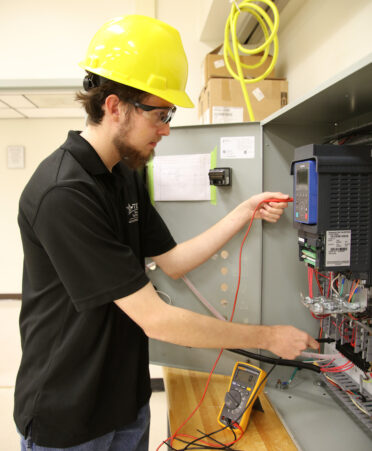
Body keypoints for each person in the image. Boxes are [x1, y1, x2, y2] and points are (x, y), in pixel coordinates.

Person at [14, 14, 318, 451]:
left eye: (168, 114)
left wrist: (244, 213)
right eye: (160, 113)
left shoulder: (125, 174)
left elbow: (173, 262)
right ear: (115, 106)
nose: (167, 128)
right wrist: (267, 338)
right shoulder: (64, 192)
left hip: (127, 402)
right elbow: (155, 318)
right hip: (69, 415)